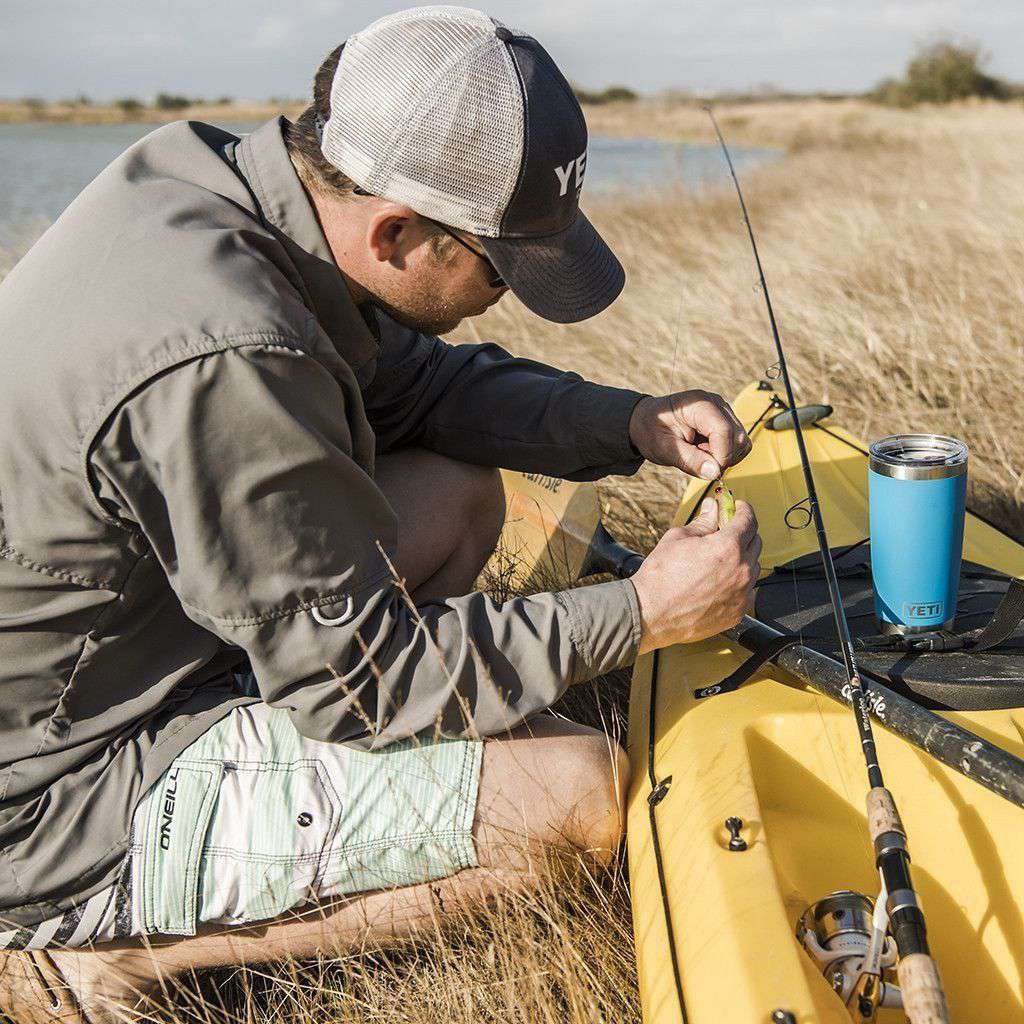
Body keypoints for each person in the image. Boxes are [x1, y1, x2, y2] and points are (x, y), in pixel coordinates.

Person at [0, 7, 759, 1021]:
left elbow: (422, 393)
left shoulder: (224, 186)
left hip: (139, 648)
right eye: (502, 266)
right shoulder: (231, 355)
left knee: (455, 487)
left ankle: (325, 785)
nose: (506, 293)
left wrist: (629, 423)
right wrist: (642, 612)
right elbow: (360, 682)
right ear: (395, 229)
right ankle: (89, 955)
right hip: (57, 791)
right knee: (577, 792)